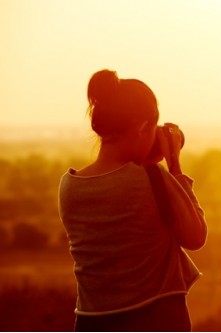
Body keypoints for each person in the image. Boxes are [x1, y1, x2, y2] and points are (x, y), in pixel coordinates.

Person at [58, 69, 207, 331]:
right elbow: (196, 236)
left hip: (91, 321)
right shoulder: (152, 178)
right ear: (141, 128)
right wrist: (174, 166)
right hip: (155, 318)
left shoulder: (69, 186)